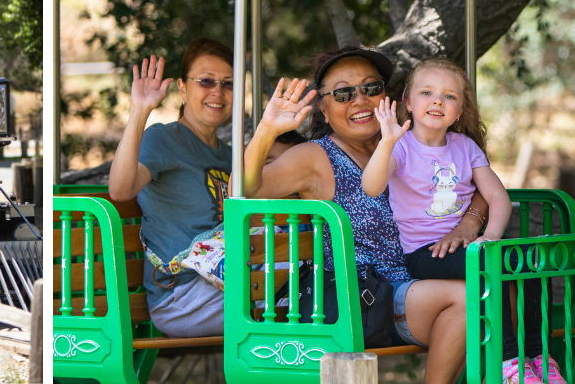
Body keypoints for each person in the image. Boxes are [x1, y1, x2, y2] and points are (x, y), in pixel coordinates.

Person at [245, 48, 488, 384]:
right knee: (470, 298)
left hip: (418, 282)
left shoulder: (408, 143)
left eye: (370, 88)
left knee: (497, 286)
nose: (359, 100)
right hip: (359, 299)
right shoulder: (315, 158)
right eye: (343, 93)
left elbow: (479, 184)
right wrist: (266, 132)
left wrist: (470, 221)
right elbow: (243, 191)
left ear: (385, 97)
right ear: (325, 111)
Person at [360, 59, 557, 381]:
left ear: (460, 111)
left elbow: (498, 197)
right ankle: (509, 361)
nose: (438, 100)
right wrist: (386, 141)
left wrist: (489, 237)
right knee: (490, 270)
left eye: (449, 96)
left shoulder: (464, 147)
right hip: (425, 253)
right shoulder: (402, 148)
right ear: (408, 103)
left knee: (531, 261)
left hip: (471, 248)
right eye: (427, 92)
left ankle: (538, 355)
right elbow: (372, 186)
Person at [105, 39, 234, 338]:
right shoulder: (164, 139)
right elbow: (121, 190)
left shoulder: (229, 156)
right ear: (183, 88)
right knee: (293, 302)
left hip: (230, 284)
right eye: (206, 81)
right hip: (182, 297)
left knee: (299, 293)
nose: (218, 91)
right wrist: (140, 110)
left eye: (227, 83)